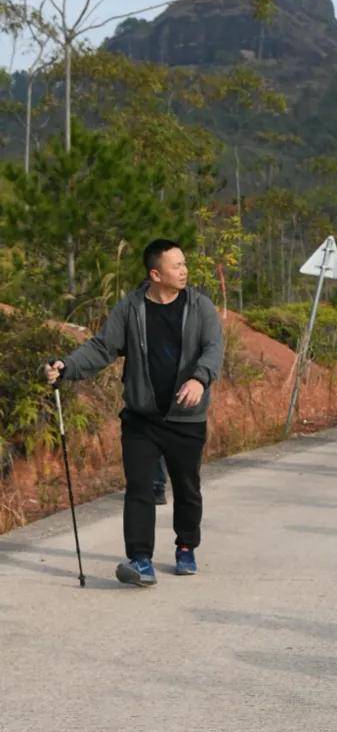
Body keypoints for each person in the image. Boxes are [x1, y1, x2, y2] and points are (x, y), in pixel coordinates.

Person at [43, 239, 223, 586]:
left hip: (186, 418)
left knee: (187, 487)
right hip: (142, 418)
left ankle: (186, 545)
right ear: (155, 274)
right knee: (139, 487)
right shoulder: (131, 308)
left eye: (184, 264)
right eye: (176, 266)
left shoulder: (200, 306)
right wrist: (67, 366)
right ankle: (140, 560)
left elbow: (213, 348)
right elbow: (102, 348)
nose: (184, 271)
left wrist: (199, 379)